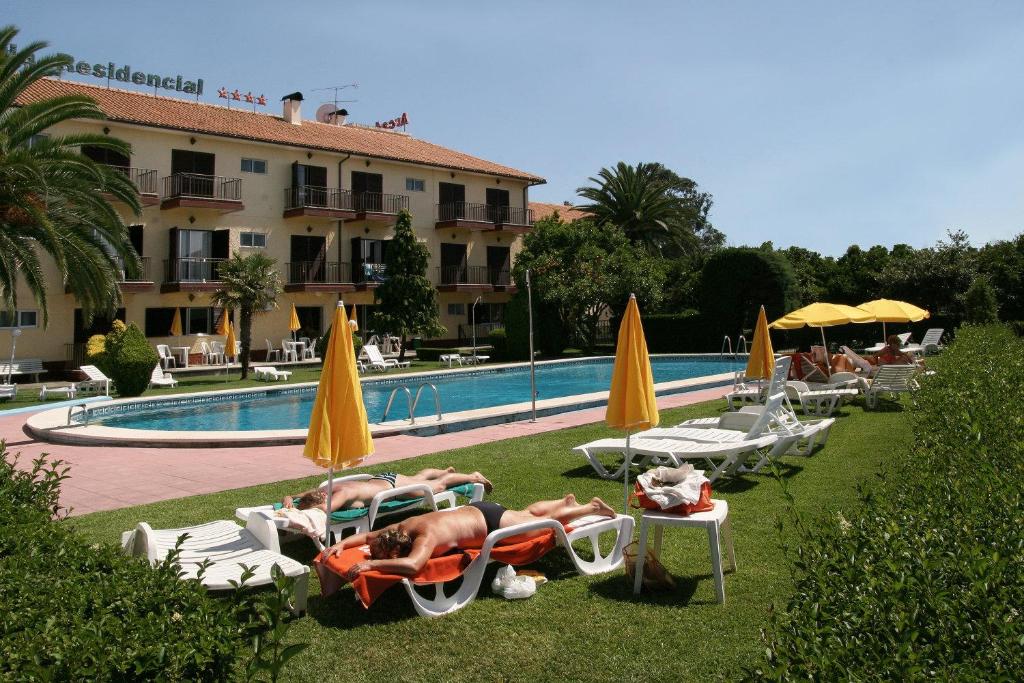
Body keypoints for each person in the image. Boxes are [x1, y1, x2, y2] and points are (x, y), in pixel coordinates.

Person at [323, 494, 617, 579]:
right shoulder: (402, 527)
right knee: (528, 514)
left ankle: (589, 507)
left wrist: (372, 565)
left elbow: (413, 566)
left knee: (544, 526)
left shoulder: (426, 537)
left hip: (488, 523)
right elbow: (367, 536)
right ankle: (565, 503)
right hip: (477, 512)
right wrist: (340, 544)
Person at [283, 467, 493, 513]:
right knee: (418, 477)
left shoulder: (340, 494)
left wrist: (295, 511)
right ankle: (442, 470)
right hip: (382, 479)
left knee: (438, 486)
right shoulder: (329, 487)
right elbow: (291, 495)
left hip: (392, 486)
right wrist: (289, 501)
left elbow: (323, 511)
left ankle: (473, 476)